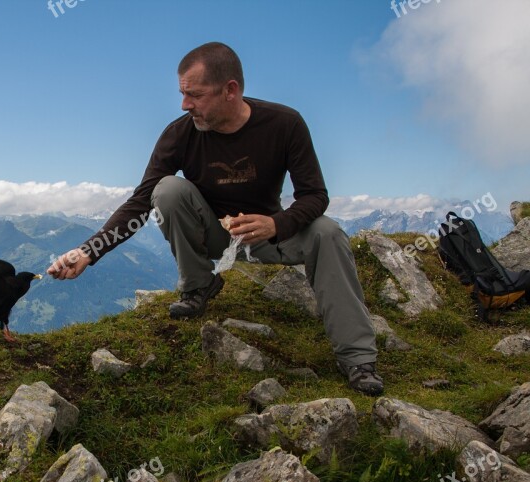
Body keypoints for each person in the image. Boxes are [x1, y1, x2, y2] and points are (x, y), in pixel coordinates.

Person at [47, 42, 383, 396]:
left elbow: (316, 195)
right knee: (167, 190)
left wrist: (277, 224)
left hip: (270, 236)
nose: (184, 104)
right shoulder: (180, 134)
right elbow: (141, 202)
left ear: (230, 91)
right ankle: (198, 286)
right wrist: (89, 251)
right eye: (182, 94)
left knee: (328, 233)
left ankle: (357, 359)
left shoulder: (285, 124)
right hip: (214, 237)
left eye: (195, 95)